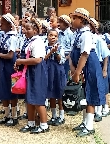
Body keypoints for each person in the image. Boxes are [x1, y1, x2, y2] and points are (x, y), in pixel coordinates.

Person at [70, 8, 105, 137]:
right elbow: (72, 53)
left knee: (90, 95)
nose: (72, 21)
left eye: (75, 18)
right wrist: (73, 69)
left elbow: (84, 54)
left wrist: (77, 72)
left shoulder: (86, 34)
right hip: (82, 67)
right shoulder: (77, 33)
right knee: (85, 94)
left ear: (82, 20)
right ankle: (84, 122)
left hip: (89, 66)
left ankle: (89, 126)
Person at [16, 18, 49, 134]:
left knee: (38, 98)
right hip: (30, 71)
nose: (25, 31)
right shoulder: (29, 41)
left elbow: (38, 59)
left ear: (35, 30)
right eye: (24, 28)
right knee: (29, 98)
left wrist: (21, 61)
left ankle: (44, 125)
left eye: (28, 29)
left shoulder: (37, 42)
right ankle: (31, 123)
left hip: (37, 71)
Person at [0, 14, 18, 126]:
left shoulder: (12, 37)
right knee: (3, 88)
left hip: (9, 66)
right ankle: (6, 115)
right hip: (2, 65)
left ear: (9, 25)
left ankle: (14, 116)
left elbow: (10, 55)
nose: (0, 25)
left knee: (11, 90)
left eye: (3, 23)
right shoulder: (3, 36)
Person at [88, 17, 109, 122]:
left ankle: (100, 111)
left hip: (99, 65)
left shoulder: (98, 39)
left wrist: (104, 69)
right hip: (89, 66)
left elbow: (106, 54)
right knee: (92, 88)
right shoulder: (85, 37)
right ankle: (94, 111)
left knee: (100, 88)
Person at [45, 29, 66, 126]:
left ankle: (61, 116)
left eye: (55, 36)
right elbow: (43, 58)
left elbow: (61, 60)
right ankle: (54, 115)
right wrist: (50, 52)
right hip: (48, 71)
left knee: (59, 93)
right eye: (50, 35)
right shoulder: (45, 47)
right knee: (51, 93)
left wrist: (56, 52)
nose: (53, 37)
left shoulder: (60, 47)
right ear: (47, 36)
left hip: (57, 71)